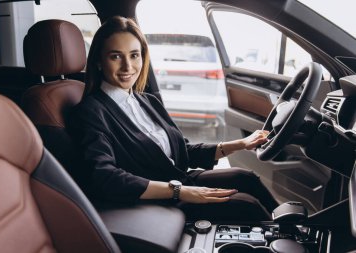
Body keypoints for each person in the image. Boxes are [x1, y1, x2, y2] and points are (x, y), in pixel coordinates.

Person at [68, 16, 279, 222]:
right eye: (115, 56)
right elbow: (103, 176)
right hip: (156, 198)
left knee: (246, 178)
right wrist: (178, 191)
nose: (128, 67)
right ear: (98, 61)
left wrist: (241, 143)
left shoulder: (147, 101)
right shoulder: (91, 111)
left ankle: (292, 230)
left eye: (134, 55)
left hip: (181, 181)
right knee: (246, 205)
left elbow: (183, 152)